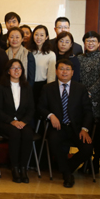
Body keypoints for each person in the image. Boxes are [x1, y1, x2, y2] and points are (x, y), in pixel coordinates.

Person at [38, 59, 93, 188]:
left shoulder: (80, 88)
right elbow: (40, 107)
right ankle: (67, 175)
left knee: (88, 148)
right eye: (61, 69)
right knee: (53, 141)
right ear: (56, 71)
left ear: (72, 72)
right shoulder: (48, 88)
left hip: (76, 128)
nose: (64, 72)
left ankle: (66, 168)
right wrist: (51, 115)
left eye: (67, 69)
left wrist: (85, 129)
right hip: (58, 127)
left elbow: (88, 111)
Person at [0, 59, 35, 183]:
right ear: (8, 71)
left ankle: (23, 168)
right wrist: (12, 121)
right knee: (15, 133)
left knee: (28, 133)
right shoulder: (1, 87)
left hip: (23, 122)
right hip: (5, 122)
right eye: (13, 68)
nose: (16, 70)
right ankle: (15, 168)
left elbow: (31, 109)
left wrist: (24, 121)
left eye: (19, 68)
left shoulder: (27, 87)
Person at [77, 31, 100, 173]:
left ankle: (96, 162)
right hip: (81, 101)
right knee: (85, 132)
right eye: (88, 41)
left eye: (93, 41)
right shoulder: (79, 58)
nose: (90, 43)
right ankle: (86, 161)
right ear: (84, 43)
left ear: (99, 43)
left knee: (98, 135)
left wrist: (90, 91)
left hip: (98, 101)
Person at [28, 25, 56, 104]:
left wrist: (49, 90)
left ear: (46, 37)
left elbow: (51, 76)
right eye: (36, 34)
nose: (38, 37)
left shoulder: (50, 54)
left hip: (42, 86)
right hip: (28, 85)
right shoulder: (27, 52)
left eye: (42, 35)